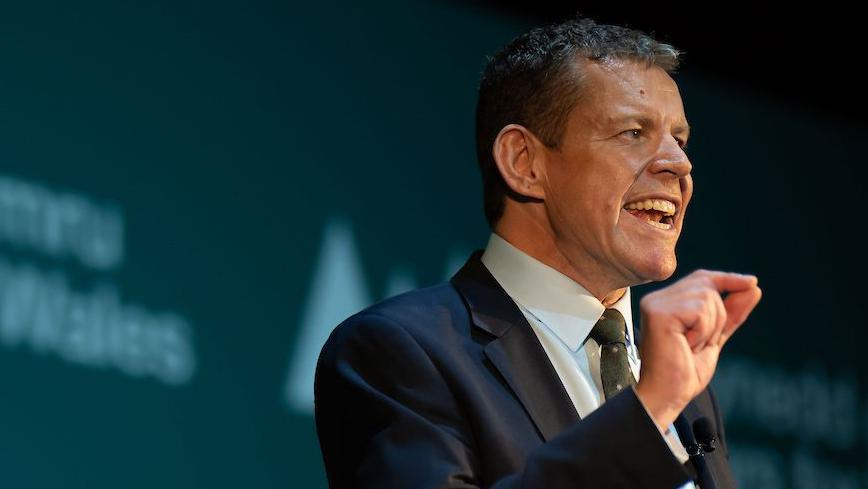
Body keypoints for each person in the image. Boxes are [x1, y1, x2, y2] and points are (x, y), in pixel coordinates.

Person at [314, 17, 762, 489]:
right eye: (633, 132)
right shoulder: (401, 352)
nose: (679, 163)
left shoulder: (683, 390)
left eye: (680, 139)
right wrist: (646, 415)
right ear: (524, 163)